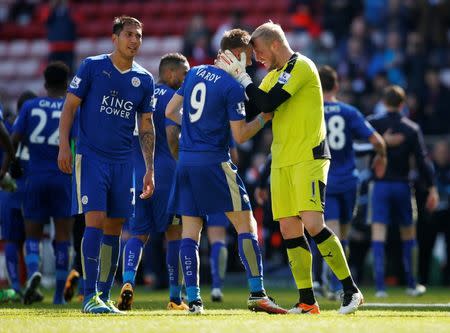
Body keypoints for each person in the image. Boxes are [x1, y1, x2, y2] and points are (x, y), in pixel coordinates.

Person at [217, 21, 363, 314]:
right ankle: (307, 300)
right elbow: (258, 106)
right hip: (282, 160)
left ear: (274, 44)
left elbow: (269, 100)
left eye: (257, 51)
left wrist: (243, 77)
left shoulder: (302, 66)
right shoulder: (271, 76)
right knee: (289, 229)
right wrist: (227, 79)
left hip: (309, 156)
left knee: (312, 223)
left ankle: (351, 291)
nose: (256, 57)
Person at [165, 28, 286, 315]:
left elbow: (170, 111)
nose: (253, 61)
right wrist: (264, 118)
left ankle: (193, 300)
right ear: (240, 53)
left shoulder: (194, 72)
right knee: (247, 225)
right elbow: (241, 135)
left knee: (191, 232)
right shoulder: (233, 87)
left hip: (186, 162)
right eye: (250, 55)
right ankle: (258, 293)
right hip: (214, 162)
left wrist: (196, 128)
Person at [57, 16, 156, 314]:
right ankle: (89, 297)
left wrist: (150, 168)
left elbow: (147, 126)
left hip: (124, 162)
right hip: (92, 157)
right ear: (114, 38)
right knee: (95, 222)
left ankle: (103, 295)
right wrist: (64, 145)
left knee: (115, 228)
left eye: (139, 35)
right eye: (128, 34)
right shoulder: (92, 66)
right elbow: (69, 107)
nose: (134, 40)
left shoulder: (145, 79)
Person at [118, 53, 189, 311]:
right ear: (170, 73)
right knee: (175, 234)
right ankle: (174, 297)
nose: (185, 80)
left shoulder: (140, 95)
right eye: (183, 74)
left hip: (136, 173)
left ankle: (128, 281)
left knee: (138, 234)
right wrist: (181, 162)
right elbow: (172, 134)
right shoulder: (173, 98)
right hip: (166, 174)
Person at [319, 65, 386, 299]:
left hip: (325, 178)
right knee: (342, 234)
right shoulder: (349, 112)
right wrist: (382, 157)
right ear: (337, 86)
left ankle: (335, 285)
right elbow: (376, 141)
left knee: (333, 233)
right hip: (349, 180)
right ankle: (337, 284)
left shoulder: (312, 112)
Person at [367, 85, 439, 298]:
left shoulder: (373, 123)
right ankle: (411, 284)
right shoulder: (411, 128)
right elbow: (423, 161)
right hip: (402, 186)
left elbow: (359, 142)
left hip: (379, 185)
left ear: (384, 101)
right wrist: (433, 187)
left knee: (378, 233)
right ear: (402, 104)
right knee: (408, 234)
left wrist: (382, 143)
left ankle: (380, 287)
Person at [11, 62, 73, 305]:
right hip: (62, 177)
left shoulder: (29, 106)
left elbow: (14, 137)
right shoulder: (71, 108)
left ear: (45, 84)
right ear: (67, 84)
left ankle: (34, 270)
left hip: (34, 177)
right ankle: (59, 295)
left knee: (33, 236)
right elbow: (77, 143)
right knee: (62, 237)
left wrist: (14, 162)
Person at [0, 91, 36, 302]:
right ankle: (33, 279)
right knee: (34, 235)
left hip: (10, 188)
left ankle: (15, 286)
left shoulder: (10, 123)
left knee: (12, 239)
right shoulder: (45, 125)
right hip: (34, 186)